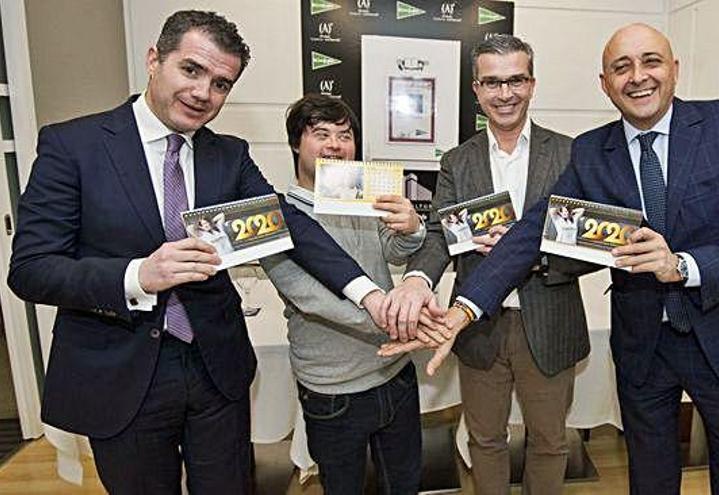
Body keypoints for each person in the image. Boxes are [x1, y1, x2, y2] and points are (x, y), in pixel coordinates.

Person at [385, 23, 719, 495]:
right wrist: (463, 310)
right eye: (621, 67)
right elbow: (531, 233)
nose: (637, 77)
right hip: (644, 347)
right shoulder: (591, 153)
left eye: (651, 61)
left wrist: (681, 264)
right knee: (650, 479)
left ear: (675, 70)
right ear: (605, 83)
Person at [7, 10, 387, 494]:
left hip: (215, 369)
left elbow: (289, 223)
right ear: (154, 60)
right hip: (121, 372)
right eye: (191, 70)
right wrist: (137, 275)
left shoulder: (228, 154)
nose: (204, 93)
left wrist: (368, 294)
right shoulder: (74, 145)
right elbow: (32, 269)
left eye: (222, 83)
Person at [380, 35, 593, 495]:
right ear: (476, 89)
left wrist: (532, 253)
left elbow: (588, 246)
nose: (505, 93)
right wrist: (418, 278)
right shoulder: (458, 160)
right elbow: (438, 233)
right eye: (492, 82)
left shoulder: (572, 153)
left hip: (550, 320)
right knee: (484, 440)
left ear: (532, 83)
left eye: (516, 79)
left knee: (551, 442)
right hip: (477, 330)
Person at [261, 94, 425, 494]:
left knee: (404, 484)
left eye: (344, 135)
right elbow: (310, 297)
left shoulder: (359, 193)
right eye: (321, 134)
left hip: (395, 373)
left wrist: (412, 227)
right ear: (296, 143)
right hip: (334, 388)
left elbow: (393, 250)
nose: (336, 144)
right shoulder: (276, 216)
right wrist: (405, 321)